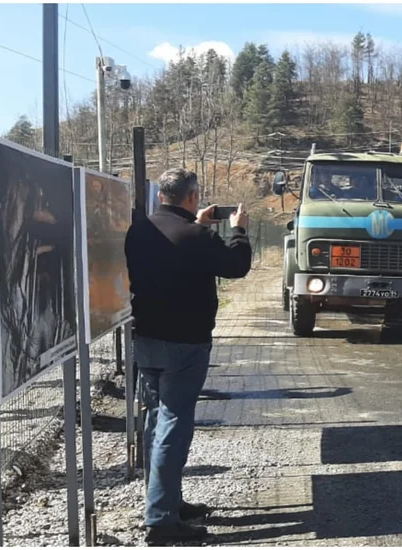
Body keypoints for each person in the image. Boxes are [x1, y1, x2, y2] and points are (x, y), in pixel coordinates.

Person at [125, 168, 252, 543]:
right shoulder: (196, 236)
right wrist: (239, 230)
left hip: (146, 338)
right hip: (185, 344)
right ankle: (161, 520)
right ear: (193, 197)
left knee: (154, 421)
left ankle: (165, 501)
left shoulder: (140, 230)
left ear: (162, 195)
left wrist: (199, 225)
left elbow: (173, 253)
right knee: (173, 426)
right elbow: (236, 265)